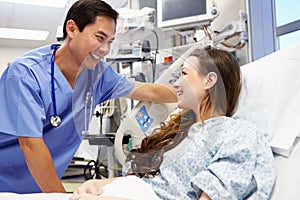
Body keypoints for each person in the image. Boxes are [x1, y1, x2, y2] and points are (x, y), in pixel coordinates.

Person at [0, 0, 177, 194]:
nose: (105, 49)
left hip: (41, 187)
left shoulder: (99, 75)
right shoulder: (25, 74)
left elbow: (148, 91)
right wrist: (60, 197)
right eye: (99, 37)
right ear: (72, 29)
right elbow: (30, 144)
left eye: (109, 41)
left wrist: (195, 90)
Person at [70, 47, 276, 200]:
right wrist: (97, 185)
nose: (176, 83)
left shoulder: (237, 133)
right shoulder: (182, 134)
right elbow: (150, 183)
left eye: (184, 74)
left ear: (209, 80)